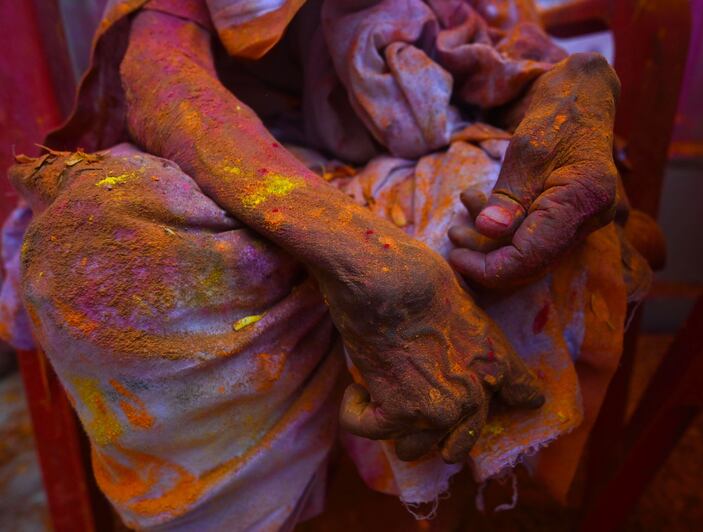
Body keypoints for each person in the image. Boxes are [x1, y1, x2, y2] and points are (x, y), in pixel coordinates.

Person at [1, 0, 654, 529]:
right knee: (91, 257)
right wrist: (367, 260)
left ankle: (433, 509)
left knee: (501, 238)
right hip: (243, 154)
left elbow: (503, 51)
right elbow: (161, 78)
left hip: (436, 138)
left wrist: (579, 90)